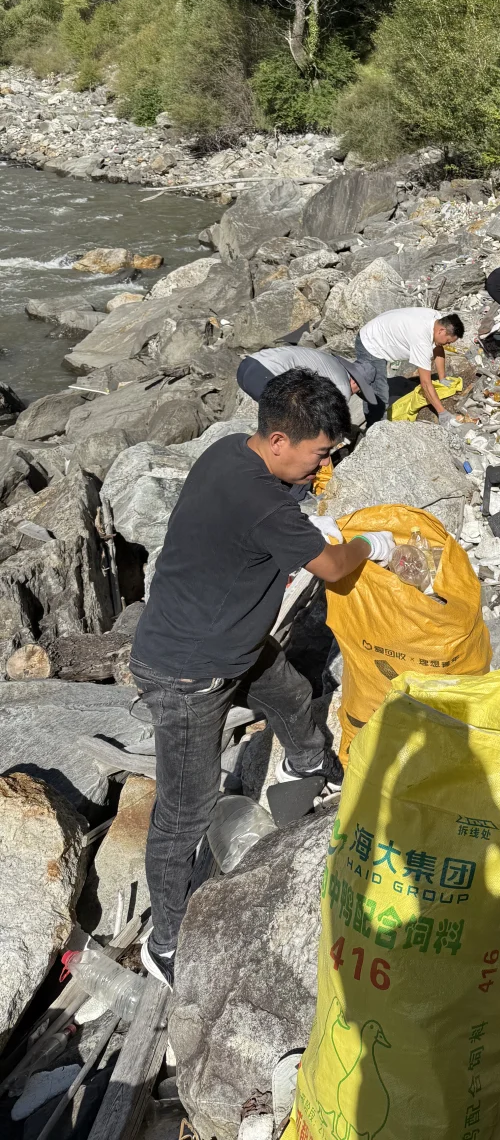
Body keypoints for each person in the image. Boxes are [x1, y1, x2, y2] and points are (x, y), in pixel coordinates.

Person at [129, 370, 397, 987]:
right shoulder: (267, 503)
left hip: (232, 643)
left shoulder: (230, 452)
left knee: (291, 693)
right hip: (188, 672)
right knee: (184, 811)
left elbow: (270, 527)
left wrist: (303, 521)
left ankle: (306, 764)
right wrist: (368, 544)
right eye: (319, 453)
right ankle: (164, 943)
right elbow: (331, 567)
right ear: (279, 440)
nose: (322, 467)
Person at [353, 308, 464, 424]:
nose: (447, 344)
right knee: (379, 395)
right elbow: (425, 383)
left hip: (380, 332)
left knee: (374, 385)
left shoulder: (436, 318)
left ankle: (363, 385)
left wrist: (442, 378)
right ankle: (375, 428)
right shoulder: (421, 340)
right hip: (371, 343)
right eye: (447, 341)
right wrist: (442, 413)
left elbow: (438, 347)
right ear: (441, 330)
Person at [235, 344, 370, 404]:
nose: (353, 394)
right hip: (267, 373)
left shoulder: (330, 361)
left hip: (248, 364)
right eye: (358, 391)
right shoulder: (343, 386)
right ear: (354, 381)